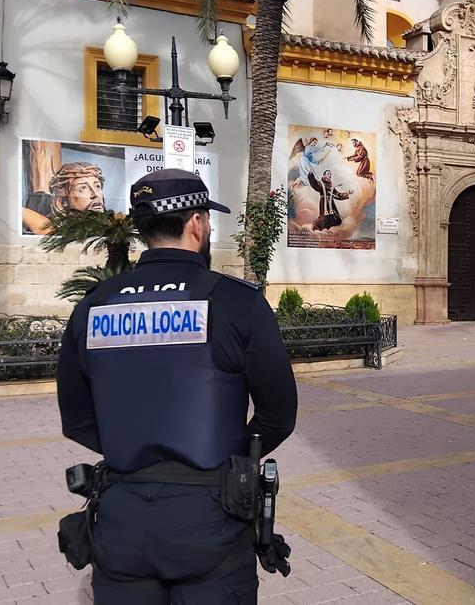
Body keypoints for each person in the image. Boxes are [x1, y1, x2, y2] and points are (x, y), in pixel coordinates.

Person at [57, 168, 298, 604]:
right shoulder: (237, 302)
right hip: (215, 523)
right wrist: (226, 460)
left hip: (121, 521)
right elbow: (278, 415)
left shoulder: (94, 305)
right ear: (197, 223)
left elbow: (76, 422)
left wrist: (136, 452)